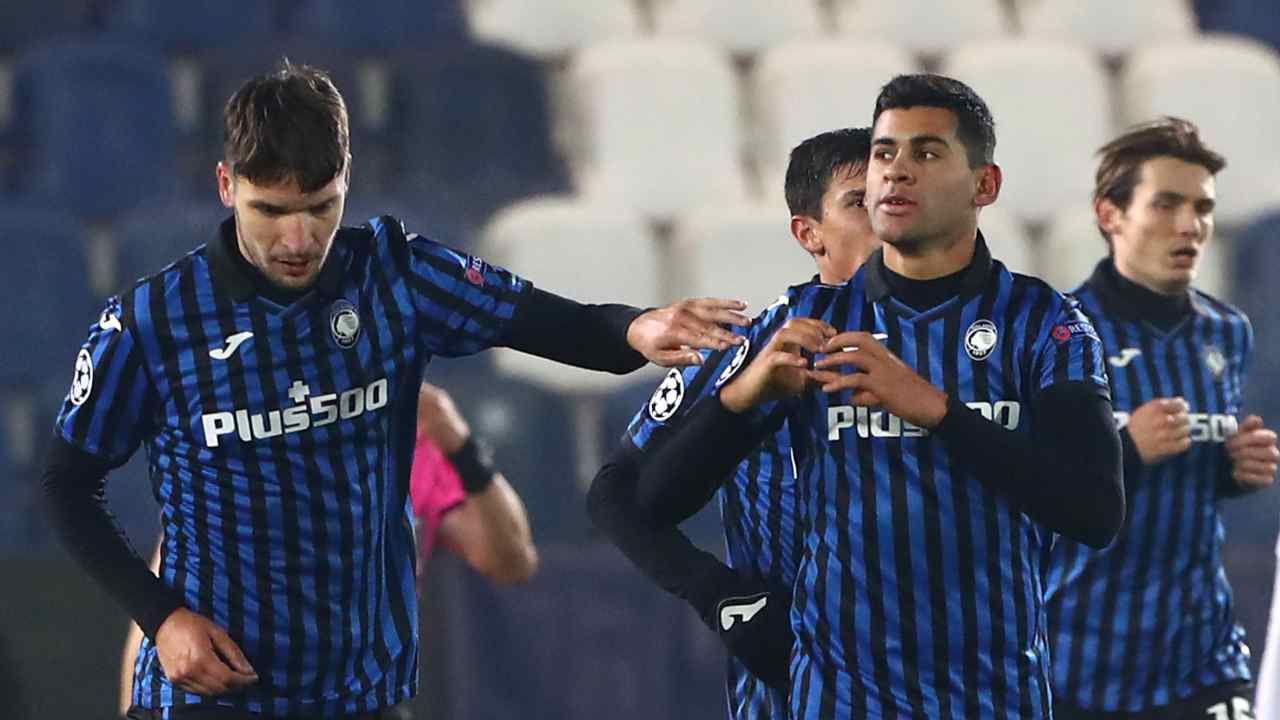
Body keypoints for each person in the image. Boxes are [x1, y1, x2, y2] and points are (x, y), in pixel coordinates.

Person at [44, 60, 748, 719]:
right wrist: (162, 617)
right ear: (227, 186)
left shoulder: (397, 276)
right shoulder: (152, 320)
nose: (297, 237)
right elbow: (67, 486)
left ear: (347, 177)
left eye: (319, 207)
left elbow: (551, 323)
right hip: (212, 693)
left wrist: (636, 329)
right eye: (270, 210)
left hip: (361, 692)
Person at [624, 73, 1126, 719]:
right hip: (837, 697)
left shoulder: (1043, 321)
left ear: (984, 185)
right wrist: (743, 398)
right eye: (886, 153)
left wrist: (937, 411)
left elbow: (1094, 512)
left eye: (926, 153)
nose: (896, 172)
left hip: (995, 694)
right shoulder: (803, 320)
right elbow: (652, 499)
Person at [587, 127, 879, 719]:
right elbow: (614, 493)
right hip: (798, 686)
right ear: (809, 233)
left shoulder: (980, 345)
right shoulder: (749, 348)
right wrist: (720, 596)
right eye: (858, 201)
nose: (885, 212)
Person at [117, 381, 539, 717]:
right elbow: (163, 602)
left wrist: (460, 447)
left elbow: (512, 560)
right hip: (238, 691)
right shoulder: (252, 432)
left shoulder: (409, 443)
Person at [1044, 117, 1277, 720]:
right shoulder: (1055, 333)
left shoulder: (1228, 331)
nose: (1189, 225)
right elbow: (1020, 488)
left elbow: (1196, 478)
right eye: (1166, 203)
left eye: (1202, 207)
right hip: (1080, 659)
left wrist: (1235, 470)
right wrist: (1123, 447)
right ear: (1110, 215)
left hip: (1200, 654)